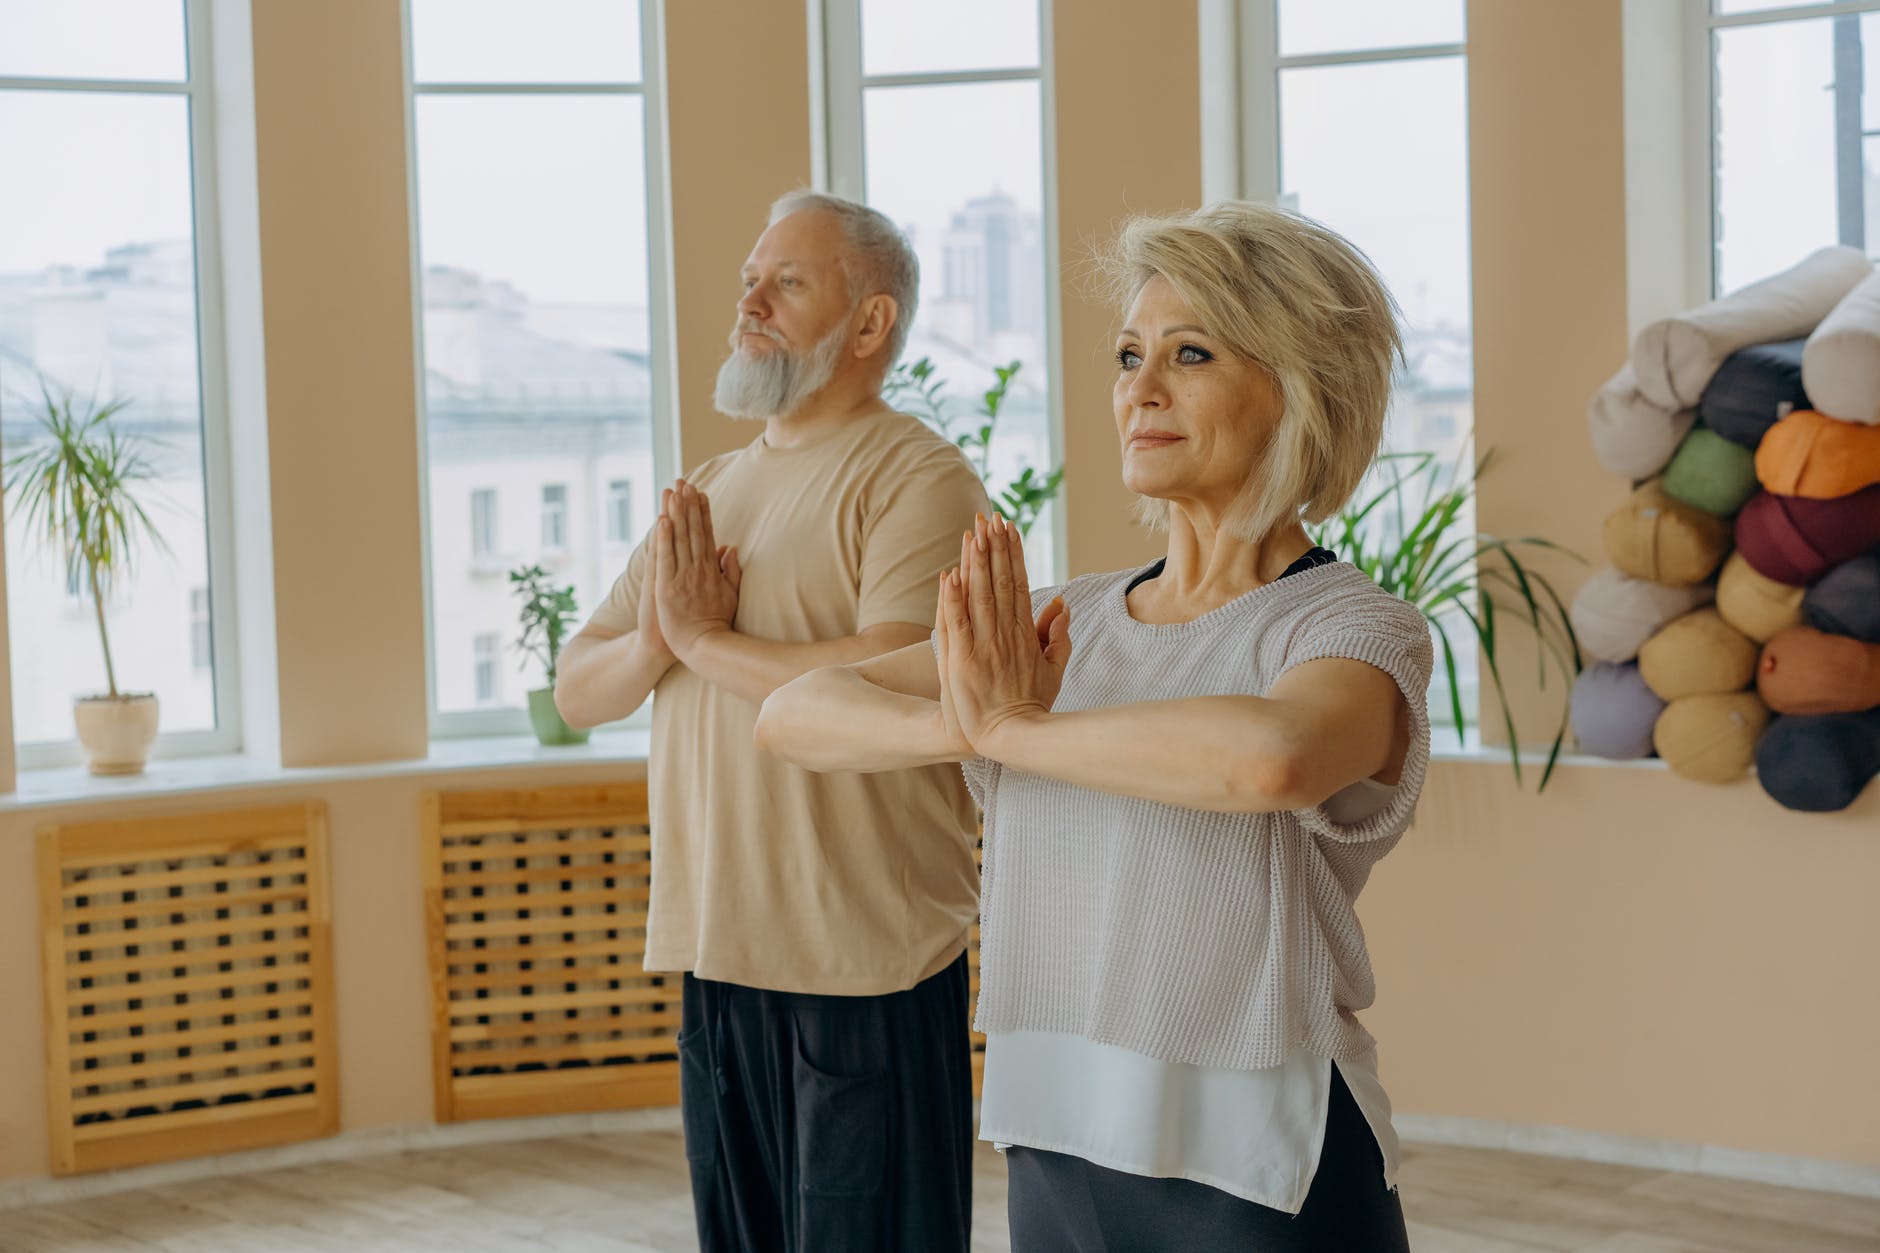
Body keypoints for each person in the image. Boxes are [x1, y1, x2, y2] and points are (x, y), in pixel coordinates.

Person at [756, 200, 1431, 1250]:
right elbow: (794, 712)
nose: (1139, 389)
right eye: (1128, 355)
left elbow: (1271, 757)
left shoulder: (1346, 626)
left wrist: (1013, 727)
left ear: (1299, 384)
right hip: (1056, 1133)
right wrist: (975, 722)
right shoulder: (1063, 620)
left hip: (1255, 1153)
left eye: (1190, 352)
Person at [554, 189, 990, 1253]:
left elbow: (900, 673)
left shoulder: (916, 474)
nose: (749, 298)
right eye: (751, 277)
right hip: (718, 954)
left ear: (869, 325)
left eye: (785, 281)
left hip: (862, 962)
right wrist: (665, 637)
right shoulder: (708, 488)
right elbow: (579, 686)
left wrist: (703, 642)